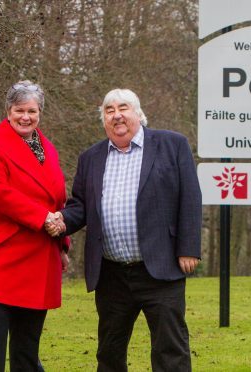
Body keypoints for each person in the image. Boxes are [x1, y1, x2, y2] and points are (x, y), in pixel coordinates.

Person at [47, 88, 202, 372]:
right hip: (111, 274)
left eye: (123, 108)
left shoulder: (172, 144)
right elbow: (80, 205)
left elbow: (190, 197)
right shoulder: (90, 157)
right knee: (109, 352)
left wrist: (189, 248)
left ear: (138, 113)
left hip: (160, 267)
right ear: (104, 119)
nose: (116, 115)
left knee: (171, 350)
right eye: (109, 110)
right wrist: (62, 221)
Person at [0, 80, 69, 372]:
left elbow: (57, 197)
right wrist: (41, 217)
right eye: (19, 110)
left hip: (37, 254)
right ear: (8, 111)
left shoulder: (47, 148)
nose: (26, 117)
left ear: (40, 113)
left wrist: (62, 244)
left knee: (28, 339)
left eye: (32, 111)